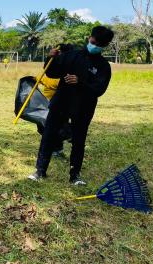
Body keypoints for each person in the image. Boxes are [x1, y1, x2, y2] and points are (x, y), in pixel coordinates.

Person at [28, 26, 114, 185]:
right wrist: (50, 58)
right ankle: (40, 171)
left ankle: (75, 176)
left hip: (84, 107)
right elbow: (51, 72)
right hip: (61, 102)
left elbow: (99, 89)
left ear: (106, 45)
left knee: (79, 140)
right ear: (90, 37)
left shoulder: (103, 66)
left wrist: (80, 82)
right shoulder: (72, 55)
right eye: (94, 41)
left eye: (99, 44)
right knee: (48, 135)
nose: (94, 45)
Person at [37, 43, 74, 158]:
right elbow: (44, 75)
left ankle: (68, 136)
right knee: (44, 126)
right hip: (46, 103)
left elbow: (53, 83)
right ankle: (55, 148)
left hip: (61, 104)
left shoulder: (68, 71)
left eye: (60, 54)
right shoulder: (53, 67)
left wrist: (44, 81)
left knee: (58, 126)